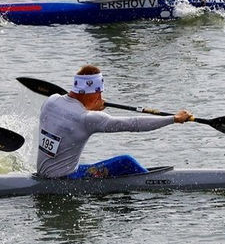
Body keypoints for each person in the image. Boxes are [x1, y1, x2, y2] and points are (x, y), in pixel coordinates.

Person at [35, 65, 191, 179]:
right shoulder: (88, 118)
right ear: (96, 93)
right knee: (126, 162)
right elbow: (134, 124)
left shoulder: (51, 101)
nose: (102, 98)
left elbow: (69, 116)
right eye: (100, 94)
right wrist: (174, 119)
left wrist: (91, 106)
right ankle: (153, 183)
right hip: (66, 179)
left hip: (43, 173)